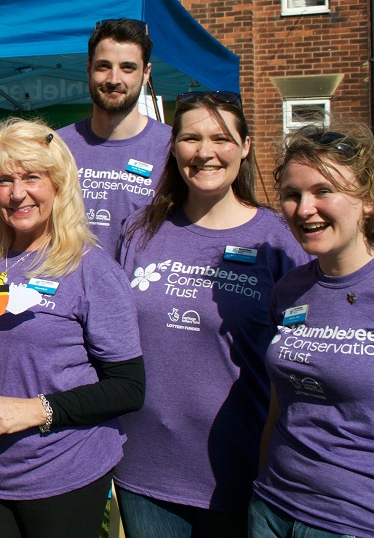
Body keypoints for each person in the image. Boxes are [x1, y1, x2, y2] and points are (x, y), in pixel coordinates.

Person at [0, 117, 144, 538]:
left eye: (31, 176)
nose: (17, 192)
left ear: (58, 185)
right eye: (4, 180)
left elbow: (129, 386)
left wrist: (34, 410)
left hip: (64, 472)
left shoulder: (90, 270)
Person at [114, 92, 307, 537]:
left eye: (221, 138)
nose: (205, 152)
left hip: (240, 470)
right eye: (190, 138)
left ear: (244, 146)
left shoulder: (277, 241)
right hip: (145, 468)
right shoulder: (142, 230)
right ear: (173, 147)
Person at [251, 127, 374, 538]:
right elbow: (280, 409)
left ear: (368, 199)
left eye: (323, 190)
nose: (304, 208)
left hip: (360, 523)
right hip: (272, 509)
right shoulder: (289, 290)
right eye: (292, 194)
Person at [58, 18, 171, 253]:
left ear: (146, 73)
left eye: (127, 68)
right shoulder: (57, 146)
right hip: (68, 285)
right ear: (89, 68)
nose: (113, 79)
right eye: (103, 66)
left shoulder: (172, 148)